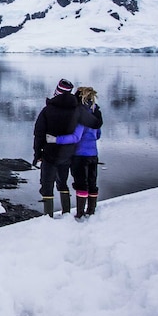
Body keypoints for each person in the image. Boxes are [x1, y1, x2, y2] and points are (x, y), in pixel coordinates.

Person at [33, 79, 103, 217]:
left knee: (48, 185)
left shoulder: (48, 110)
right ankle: (72, 212)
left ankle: (49, 216)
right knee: (65, 183)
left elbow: (39, 134)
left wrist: (38, 153)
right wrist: (97, 115)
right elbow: (96, 126)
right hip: (71, 154)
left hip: (54, 153)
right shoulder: (79, 111)